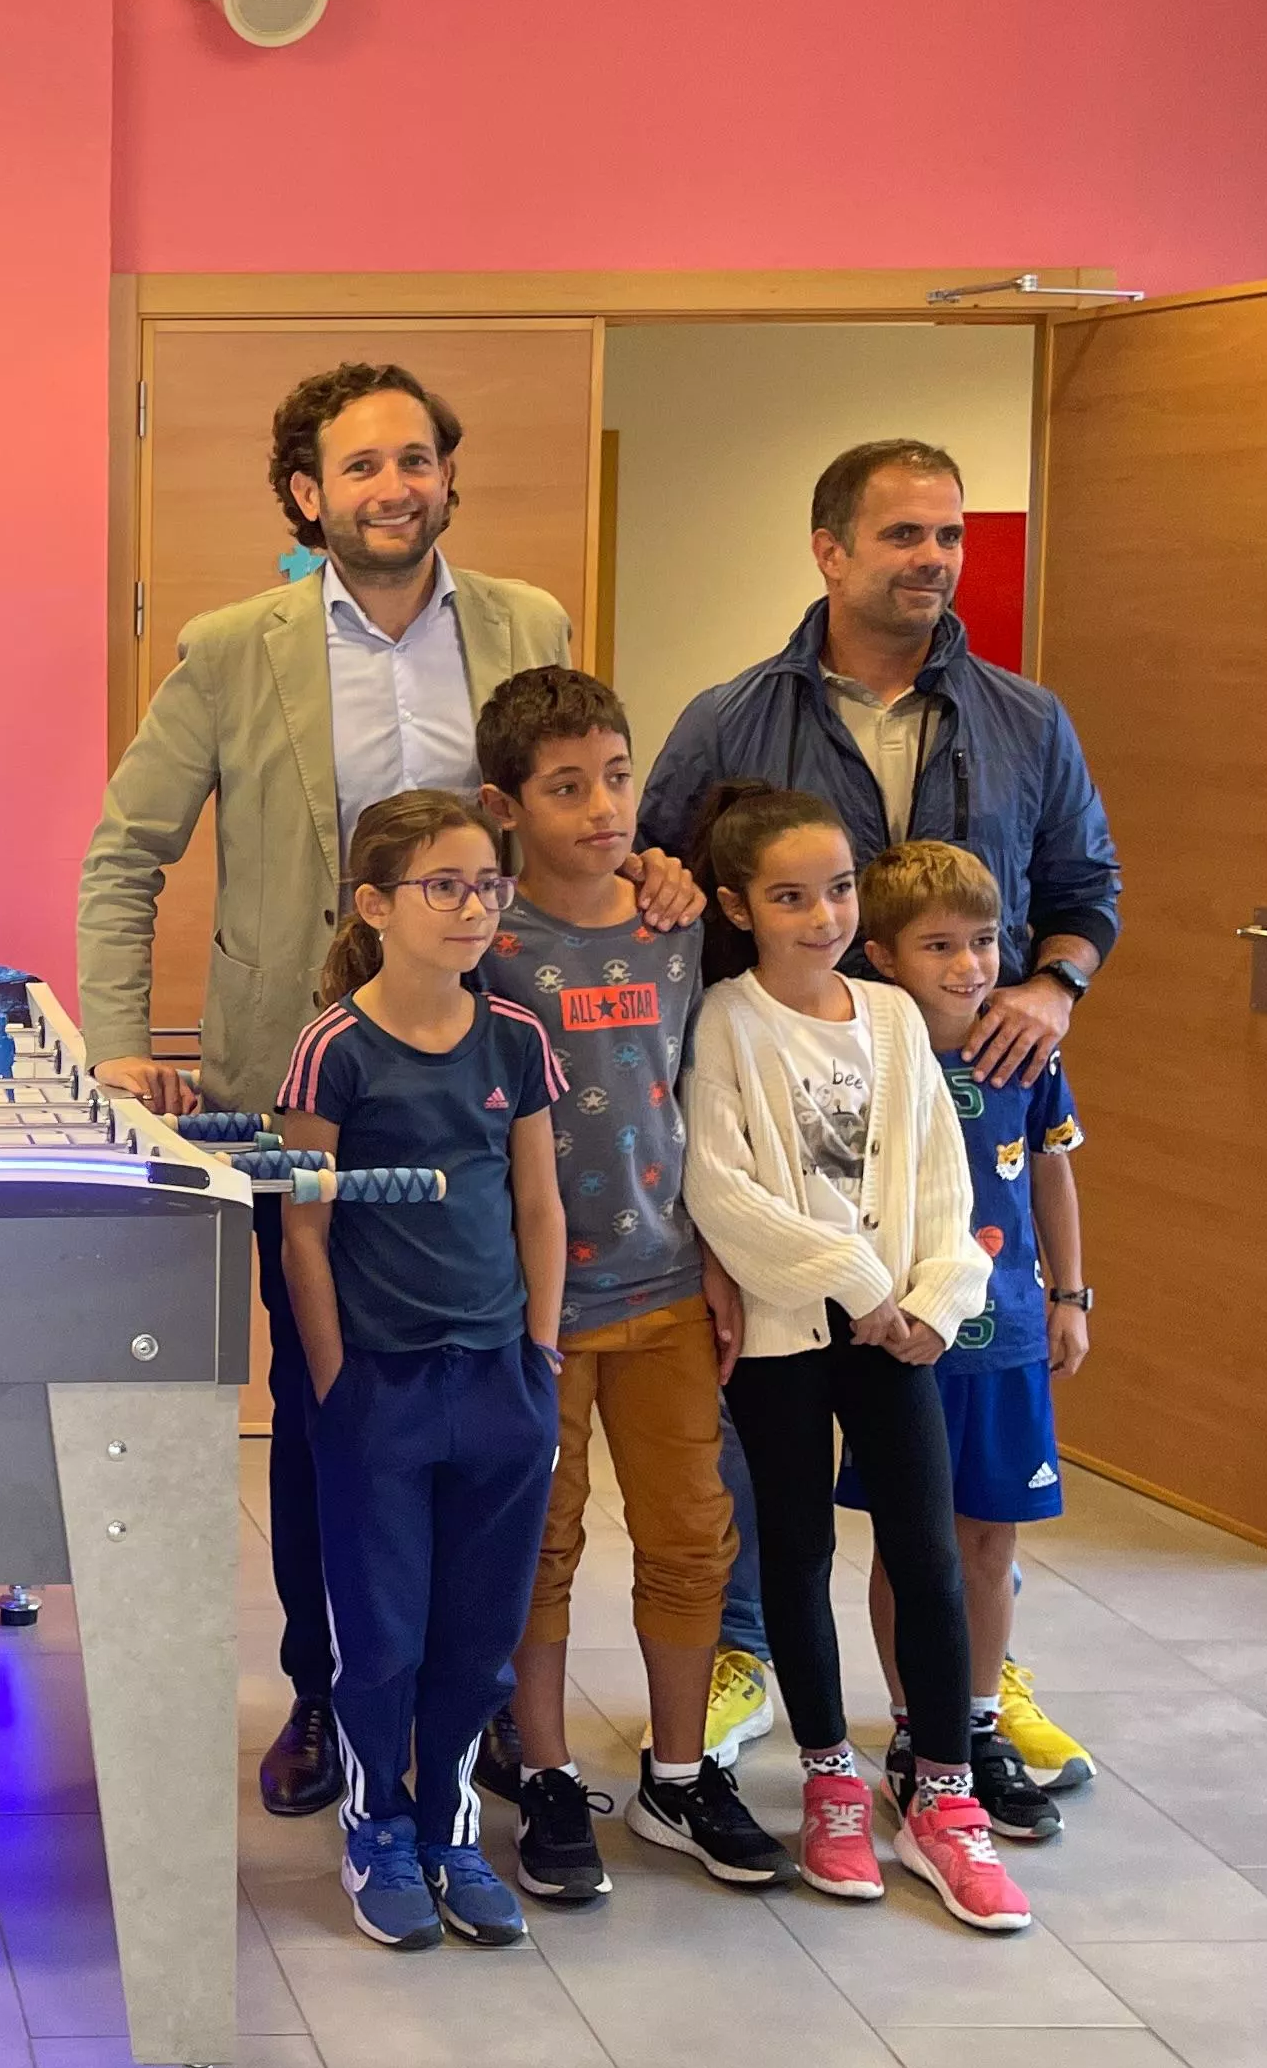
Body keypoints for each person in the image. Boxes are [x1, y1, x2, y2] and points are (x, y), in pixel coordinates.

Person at [84, 362, 686, 1821]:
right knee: (329, 1407)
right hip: (315, 1090)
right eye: (360, 468)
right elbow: (125, 855)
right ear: (309, 496)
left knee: (485, 1397)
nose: (394, 488)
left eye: (415, 459)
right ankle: (322, 1695)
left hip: (496, 1082)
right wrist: (117, 1041)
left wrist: (648, 861)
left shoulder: (526, 623)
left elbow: (571, 801)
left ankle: (461, 1703)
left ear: (446, 477)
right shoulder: (235, 649)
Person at [640, 438, 1122, 1766]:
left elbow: (1087, 894)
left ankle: (966, 1687)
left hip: (947, 1126)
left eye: (949, 537)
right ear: (830, 550)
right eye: (903, 535)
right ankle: (748, 1659)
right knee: (766, 1426)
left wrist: (1056, 990)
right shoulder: (733, 719)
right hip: (778, 1128)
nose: (932, 560)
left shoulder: (1028, 720)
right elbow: (664, 887)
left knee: (947, 1442)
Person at [458, 667, 784, 1902]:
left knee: (691, 1537)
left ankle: (682, 1770)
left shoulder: (678, 924)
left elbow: (709, 1092)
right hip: (536, 1306)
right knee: (539, 1545)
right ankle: (542, 1771)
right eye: (564, 788)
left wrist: (721, 1259)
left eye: (616, 776)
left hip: (666, 1289)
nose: (602, 808)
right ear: (504, 805)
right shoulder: (487, 943)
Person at [680, 782, 1028, 1933]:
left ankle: (942, 1793)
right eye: (791, 897)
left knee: (925, 1552)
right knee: (795, 1548)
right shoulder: (726, 1022)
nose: (822, 915)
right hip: (788, 1339)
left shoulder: (886, 1018)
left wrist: (932, 1301)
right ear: (741, 906)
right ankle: (827, 1772)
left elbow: (942, 1174)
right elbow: (721, 1190)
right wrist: (865, 1288)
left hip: (902, 1339)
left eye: (836, 890)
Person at [272, 791, 566, 1953]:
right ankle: (377, 1827)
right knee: (381, 1632)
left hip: (501, 1380)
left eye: (487, 884)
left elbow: (538, 1203)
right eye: (442, 886)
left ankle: (447, 1825)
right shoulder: (335, 1047)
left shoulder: (518, 1037)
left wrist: (539, 1351)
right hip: (380, 1389)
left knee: (474, 1634)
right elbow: (305, 1227)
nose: (471, 907)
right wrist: (335, 1377)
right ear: (377, 906)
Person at [849, 841, 1097, 1817]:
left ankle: (980, 1725)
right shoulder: (864, 1051)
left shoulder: (1029, 1048)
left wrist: (1072, 1296)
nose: (968, 966)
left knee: (991, 1542)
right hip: (906, 1342)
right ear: (881, 954)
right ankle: (919, 1733)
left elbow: (1051, 1170)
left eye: (985, 942)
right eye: (938, 945)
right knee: (912, 1545)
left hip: (1012, 1337)